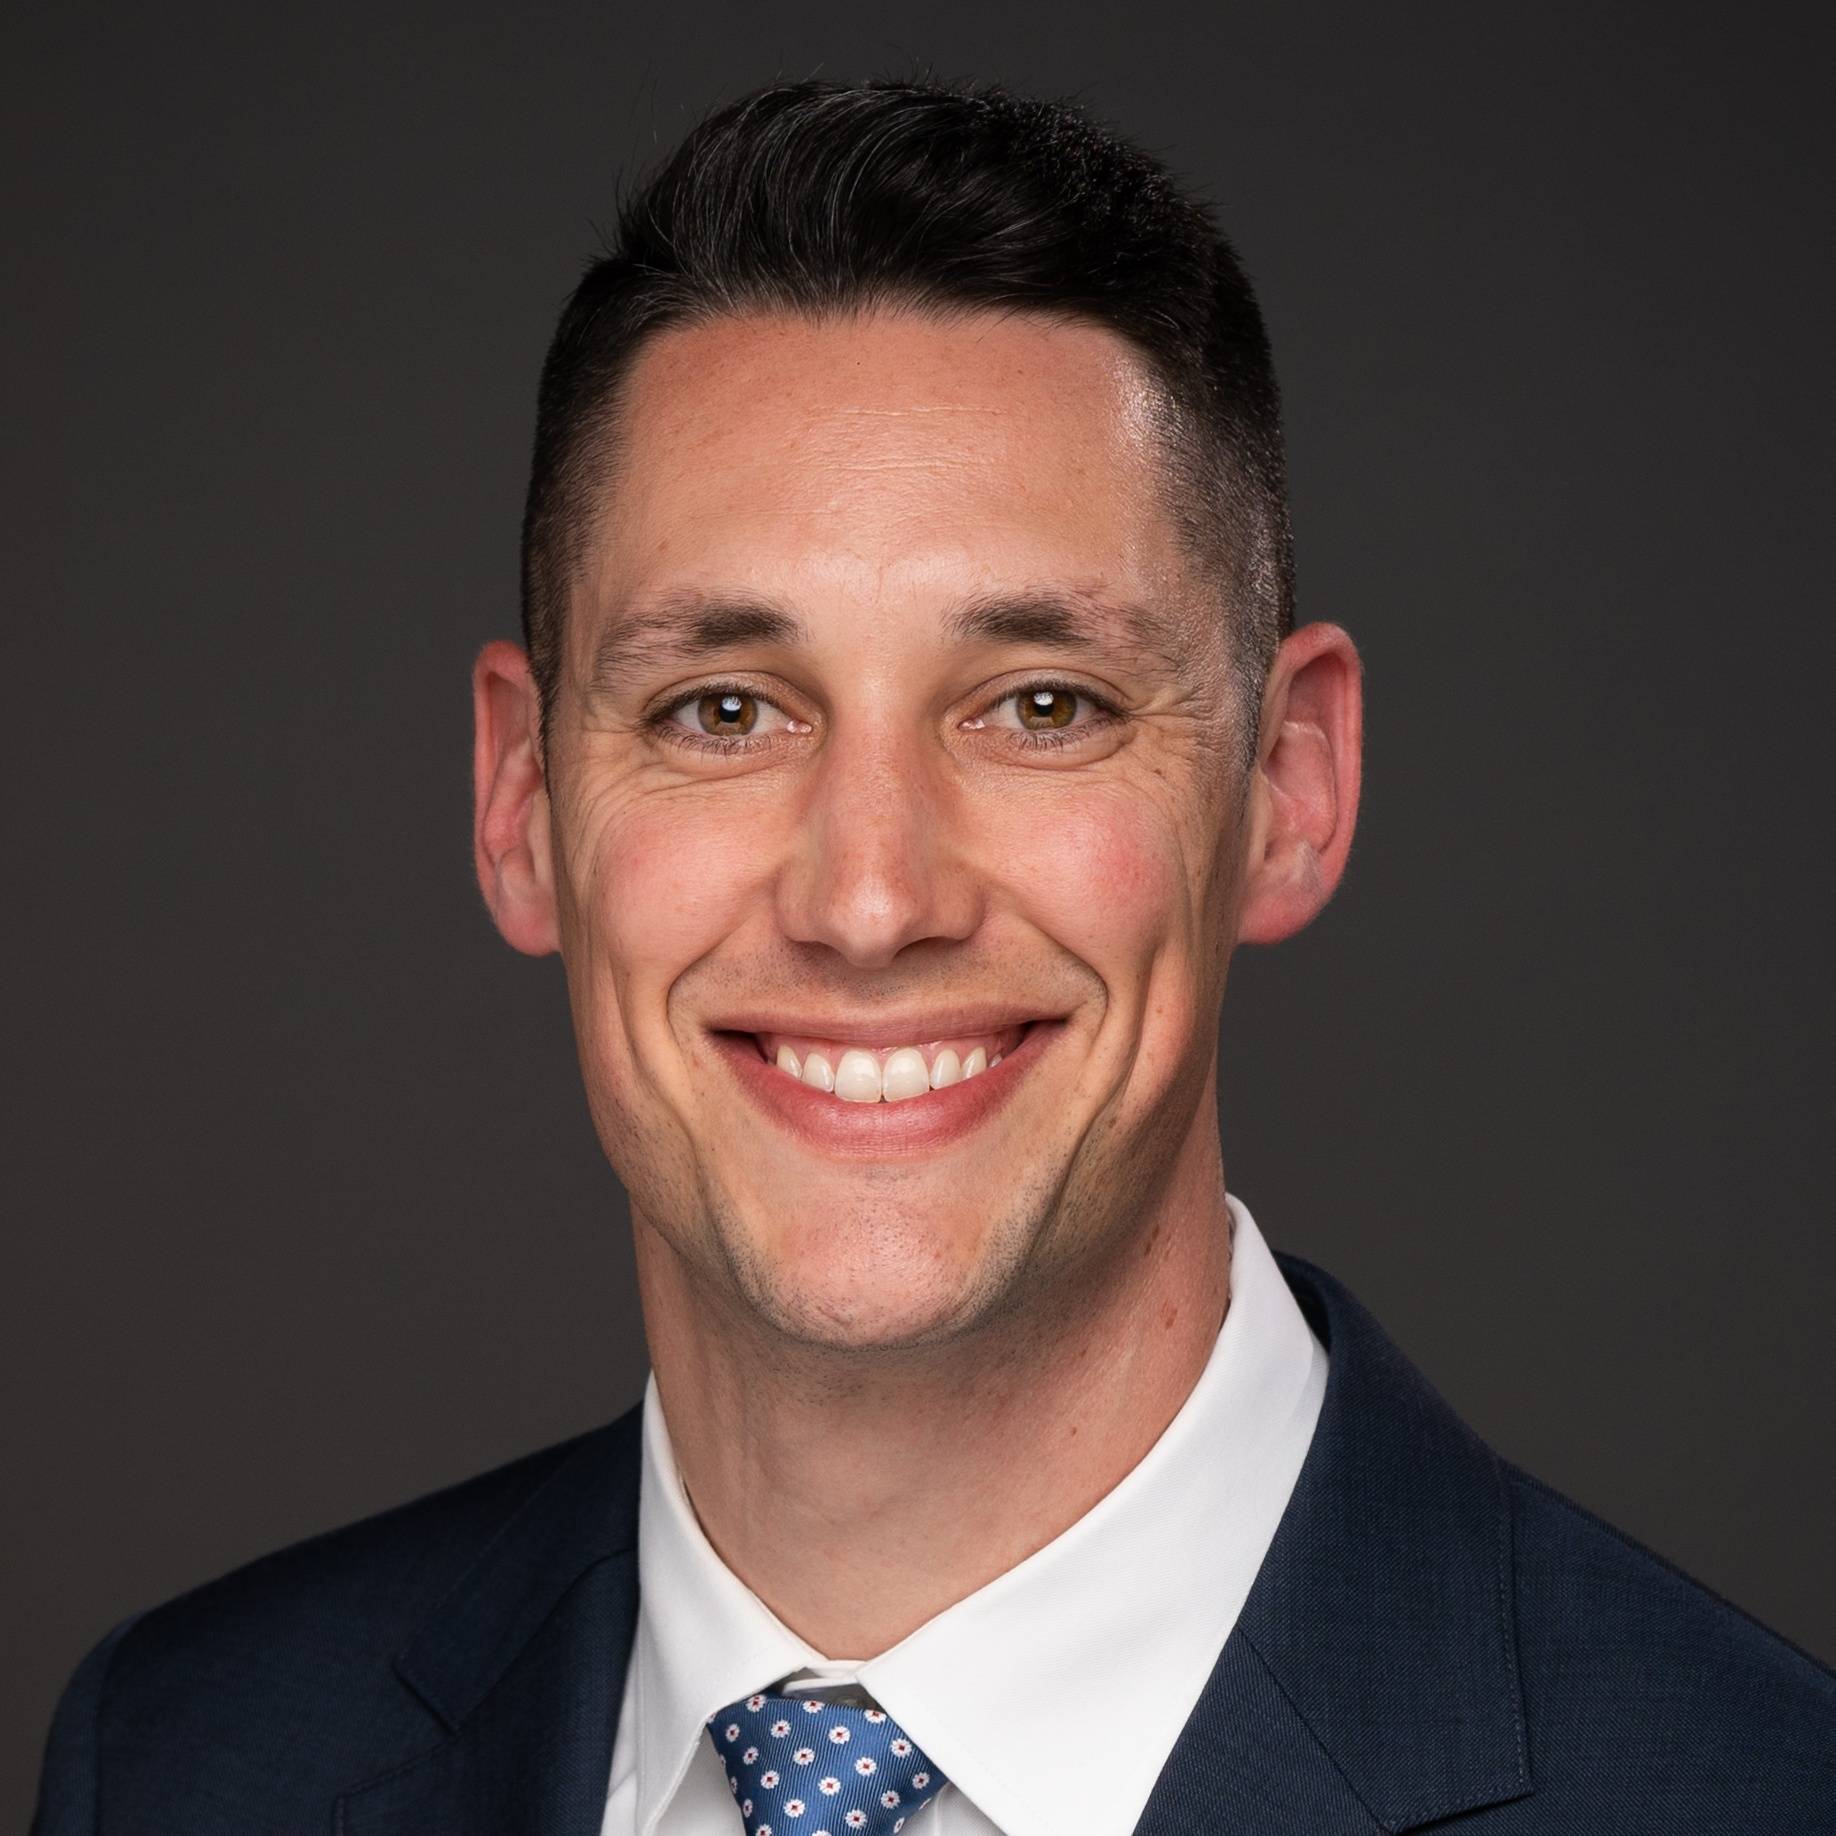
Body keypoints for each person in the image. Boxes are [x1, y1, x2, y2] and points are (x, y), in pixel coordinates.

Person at [32, 74, 1835, 1836]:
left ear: (1288, 787)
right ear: (522, 803)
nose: (872, 898)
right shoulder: (185, 1763)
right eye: (723, 709)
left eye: (1042, 705)